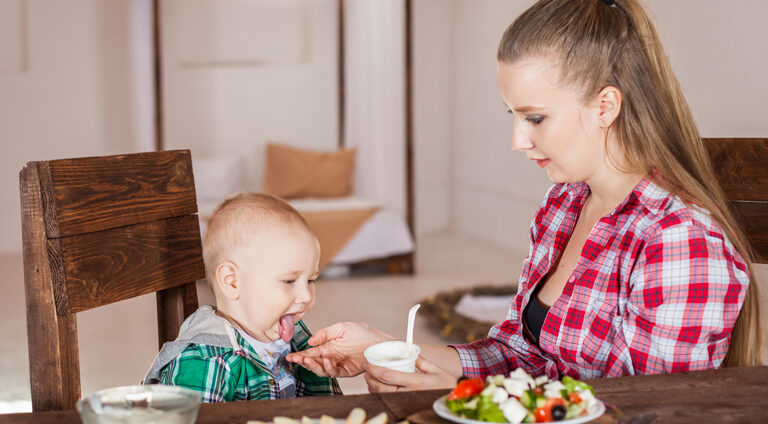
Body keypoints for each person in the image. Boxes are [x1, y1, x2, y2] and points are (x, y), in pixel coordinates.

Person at [287, 0, 762, 392]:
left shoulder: (678, 239)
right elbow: (519, 354)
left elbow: (642, 415)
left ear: (606, 106)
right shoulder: (564, 205)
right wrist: (391, 351)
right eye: (513, 115)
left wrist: (469, 395)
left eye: (535, 118)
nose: (518, 140)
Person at [145, 192, 341, 401]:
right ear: (232, 282)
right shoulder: (207, 361)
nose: (305, 296)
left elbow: (325, 405)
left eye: (311, 280)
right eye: (289, 281)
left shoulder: (295, 336)